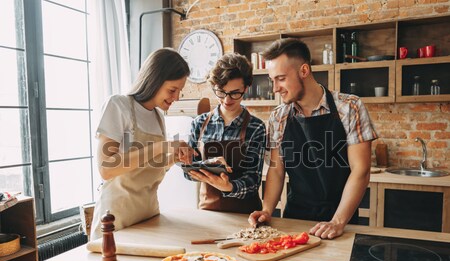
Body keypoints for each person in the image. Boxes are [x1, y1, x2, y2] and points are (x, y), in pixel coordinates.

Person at [248, 38, 377, 239]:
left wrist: (338, 221)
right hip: (294, 221)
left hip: (341, 221)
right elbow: (276, 169)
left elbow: (361, 169)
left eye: (280, 78)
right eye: (272, 80)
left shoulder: (349, 107)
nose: (275, 88)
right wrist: (267, 210)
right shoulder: (278, 117)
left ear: (304, 71)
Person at [91, 48, 195, 240]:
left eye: (179, 91)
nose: (177, 98)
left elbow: (152, 167)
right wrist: (164, 146)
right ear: (155, 79)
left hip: (149, 217)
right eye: (172, 90)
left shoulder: (158, 117)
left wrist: (175, 158)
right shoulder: (118, 105)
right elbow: (107, 168)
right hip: (117, 219)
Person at [184, 53, 266, 213]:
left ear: (246, 89)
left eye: (235, 93)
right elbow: (188, 174)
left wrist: (229, 186)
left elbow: (254, 181)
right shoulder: (198, 123)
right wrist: (202, 166)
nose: (227, 100)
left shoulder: (256, 127)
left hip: (246, 214)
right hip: (208, 212)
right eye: (221, 92)